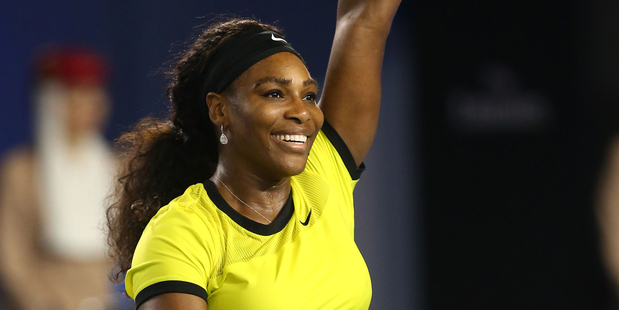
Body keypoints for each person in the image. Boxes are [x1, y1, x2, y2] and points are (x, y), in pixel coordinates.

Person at [106, 0, 401, 308]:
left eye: (309, 95)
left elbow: (365, 19)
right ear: (220, 109)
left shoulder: (322, 171)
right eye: (275, 93)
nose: (302, 112)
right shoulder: (180, 233)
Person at [0, 48, 116, 309]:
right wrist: (44, 301)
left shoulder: (115, 168)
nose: (91, 107)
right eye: (77, 98)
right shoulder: (21, 172)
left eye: (94, 96)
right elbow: (10, 255)